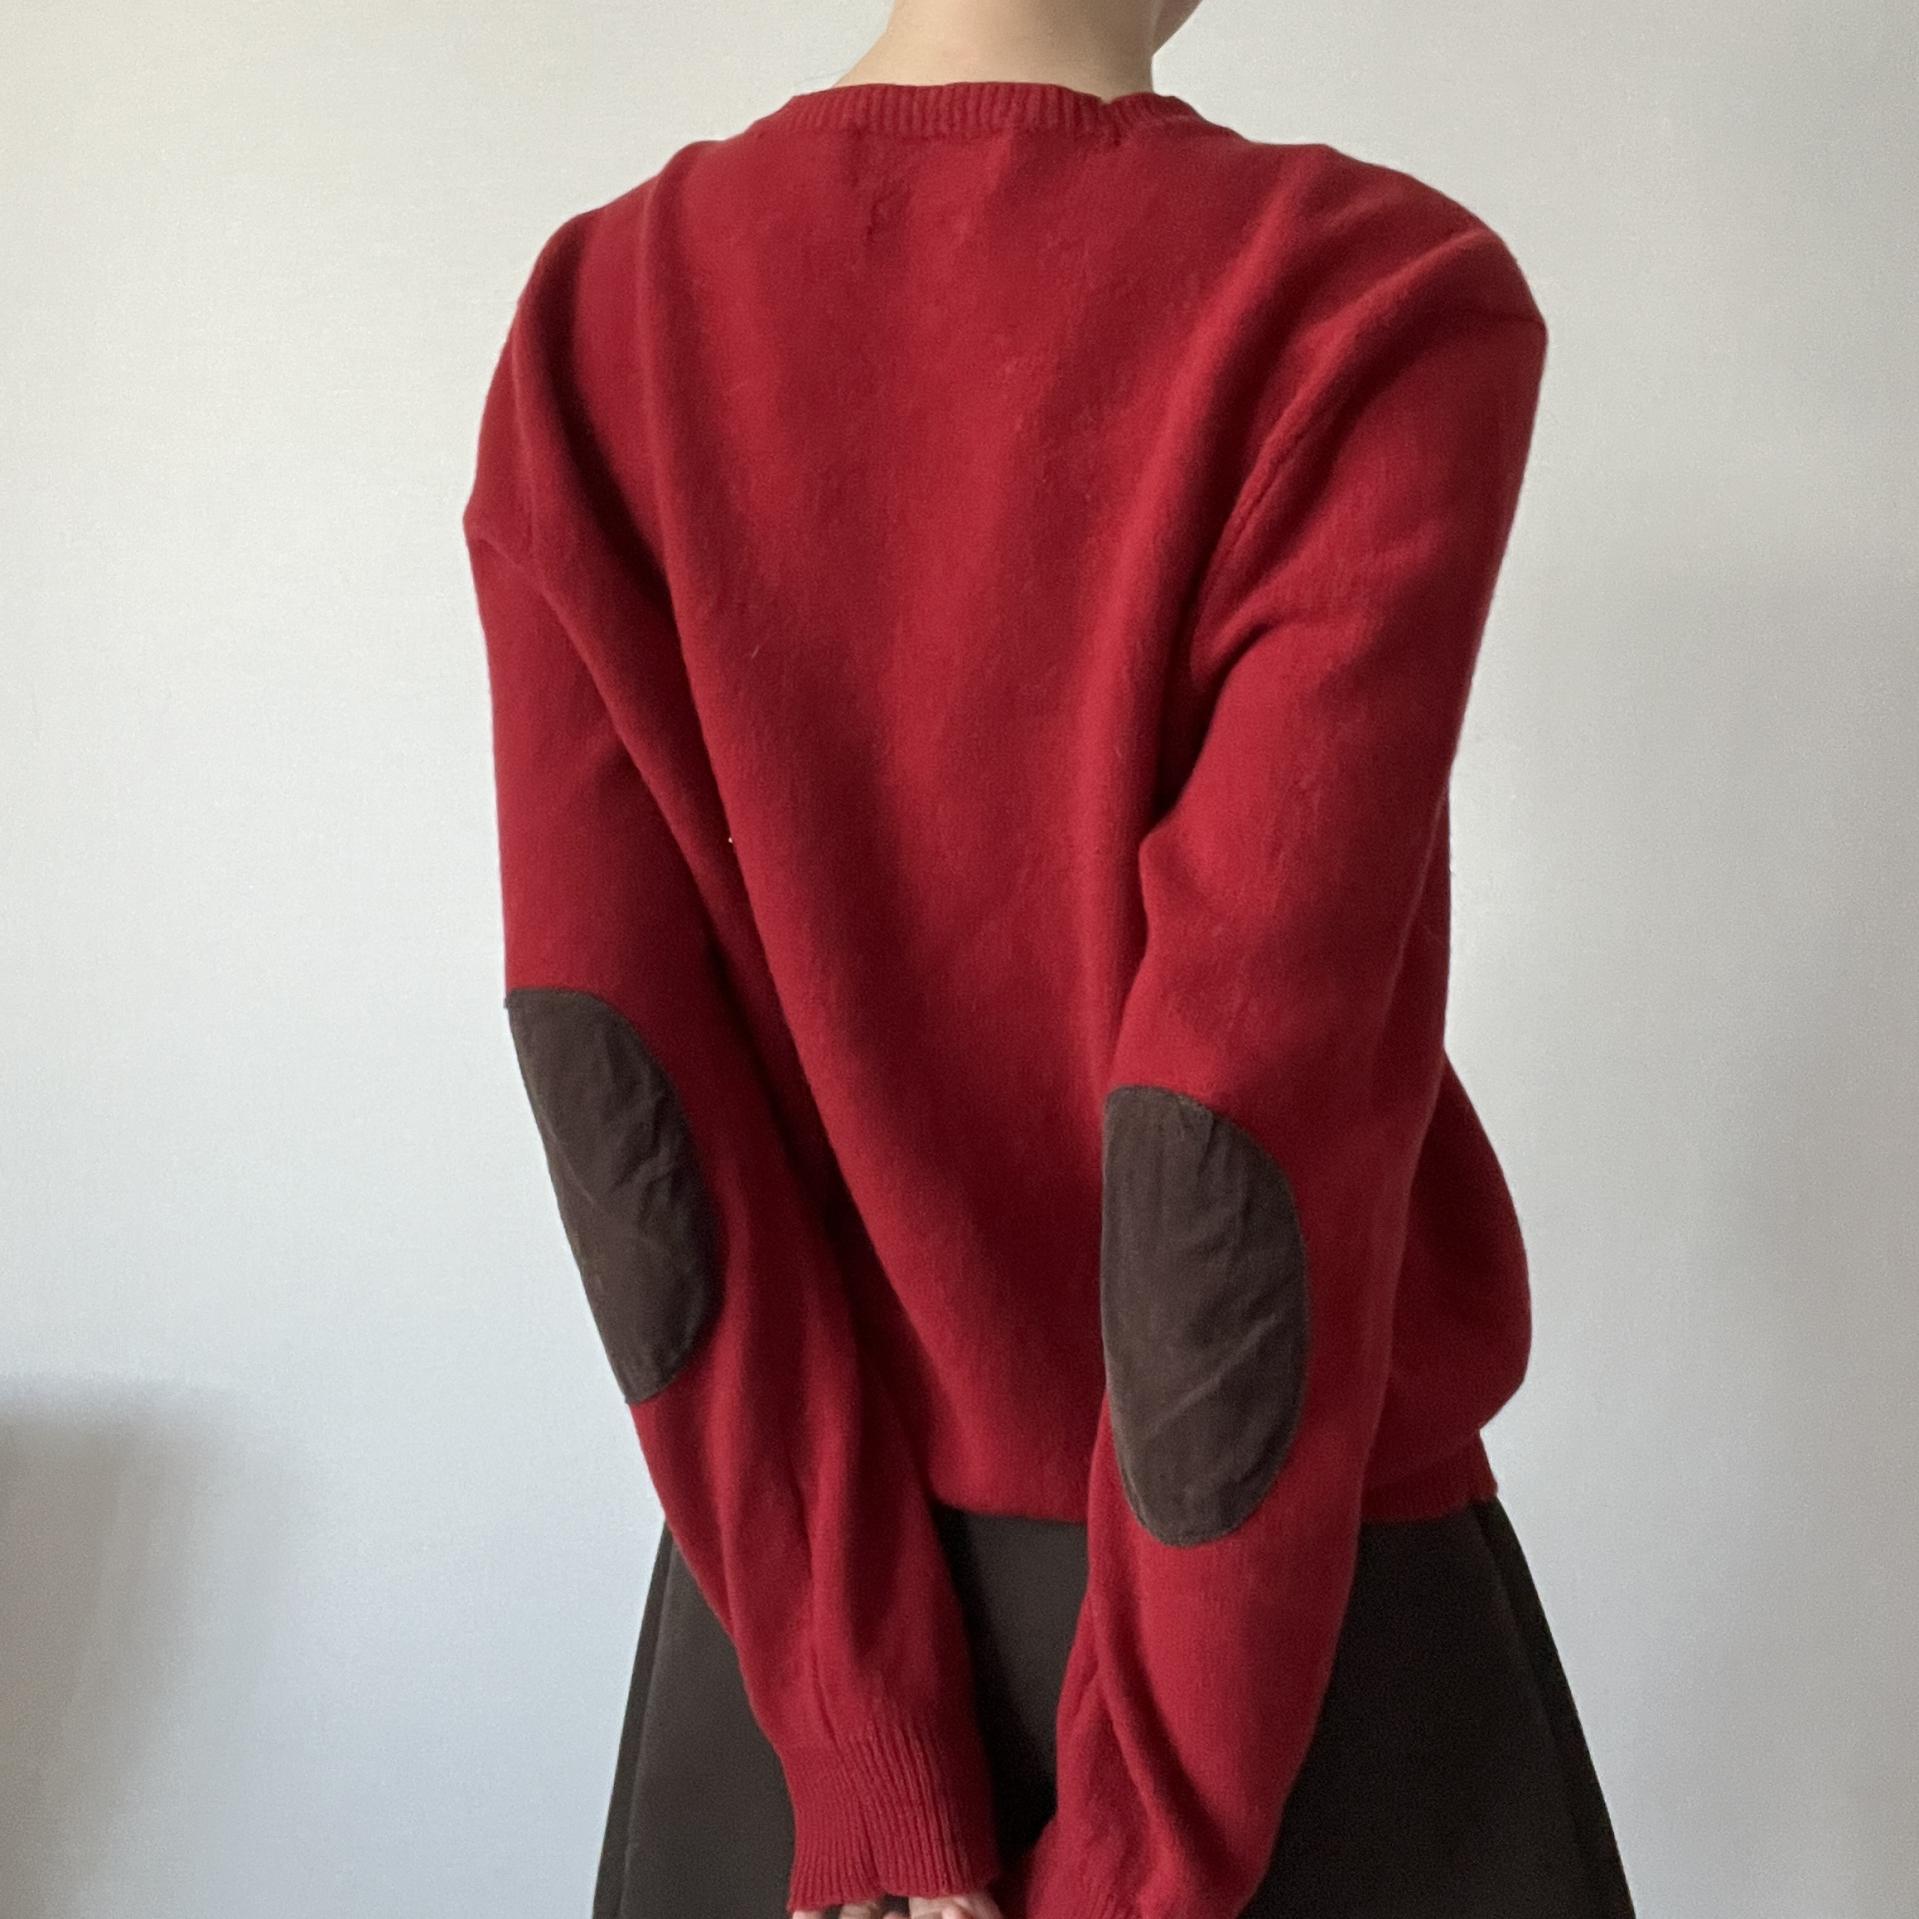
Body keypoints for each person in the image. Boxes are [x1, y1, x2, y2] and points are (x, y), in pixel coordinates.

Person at [460, 3, 1637, 1917]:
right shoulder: (1371, 301)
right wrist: (1143, 1855)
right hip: (1298, 1683)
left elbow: (622, 1086)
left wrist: (858, 1733)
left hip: (795, 1642)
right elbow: (1240, 1107)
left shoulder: (600, 324)